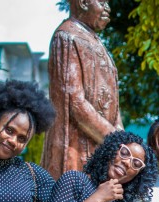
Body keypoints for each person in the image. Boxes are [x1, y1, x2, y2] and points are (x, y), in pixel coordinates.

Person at [41, 0, 123, 180]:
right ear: (83, 2)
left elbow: (113, 103)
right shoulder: (67, 37)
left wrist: (122, 138)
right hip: (77, 151)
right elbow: (75, 103)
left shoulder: (95, 41)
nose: (108, 8)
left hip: (102, 147)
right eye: (102, 2)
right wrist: (116, 139)